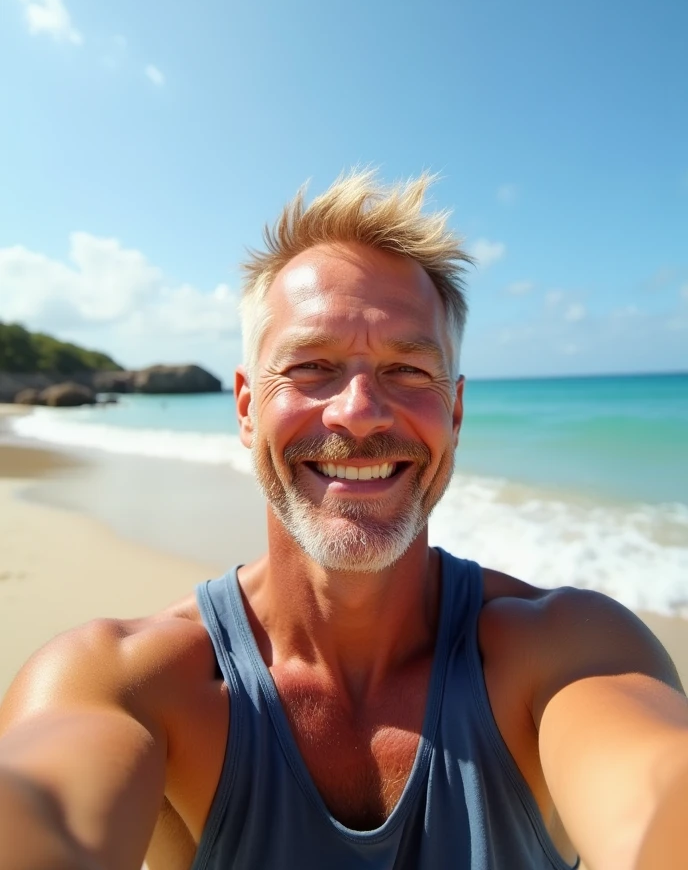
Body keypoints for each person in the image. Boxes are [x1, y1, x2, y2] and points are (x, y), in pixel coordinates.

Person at [0, 172, 686, 870]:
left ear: (454, 412)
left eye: (409, 370)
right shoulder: (129, 682)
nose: (358, 410)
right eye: (310, 366)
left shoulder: (568, 655)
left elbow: (658, 792)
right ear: (245, 407)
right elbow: (44, 809)